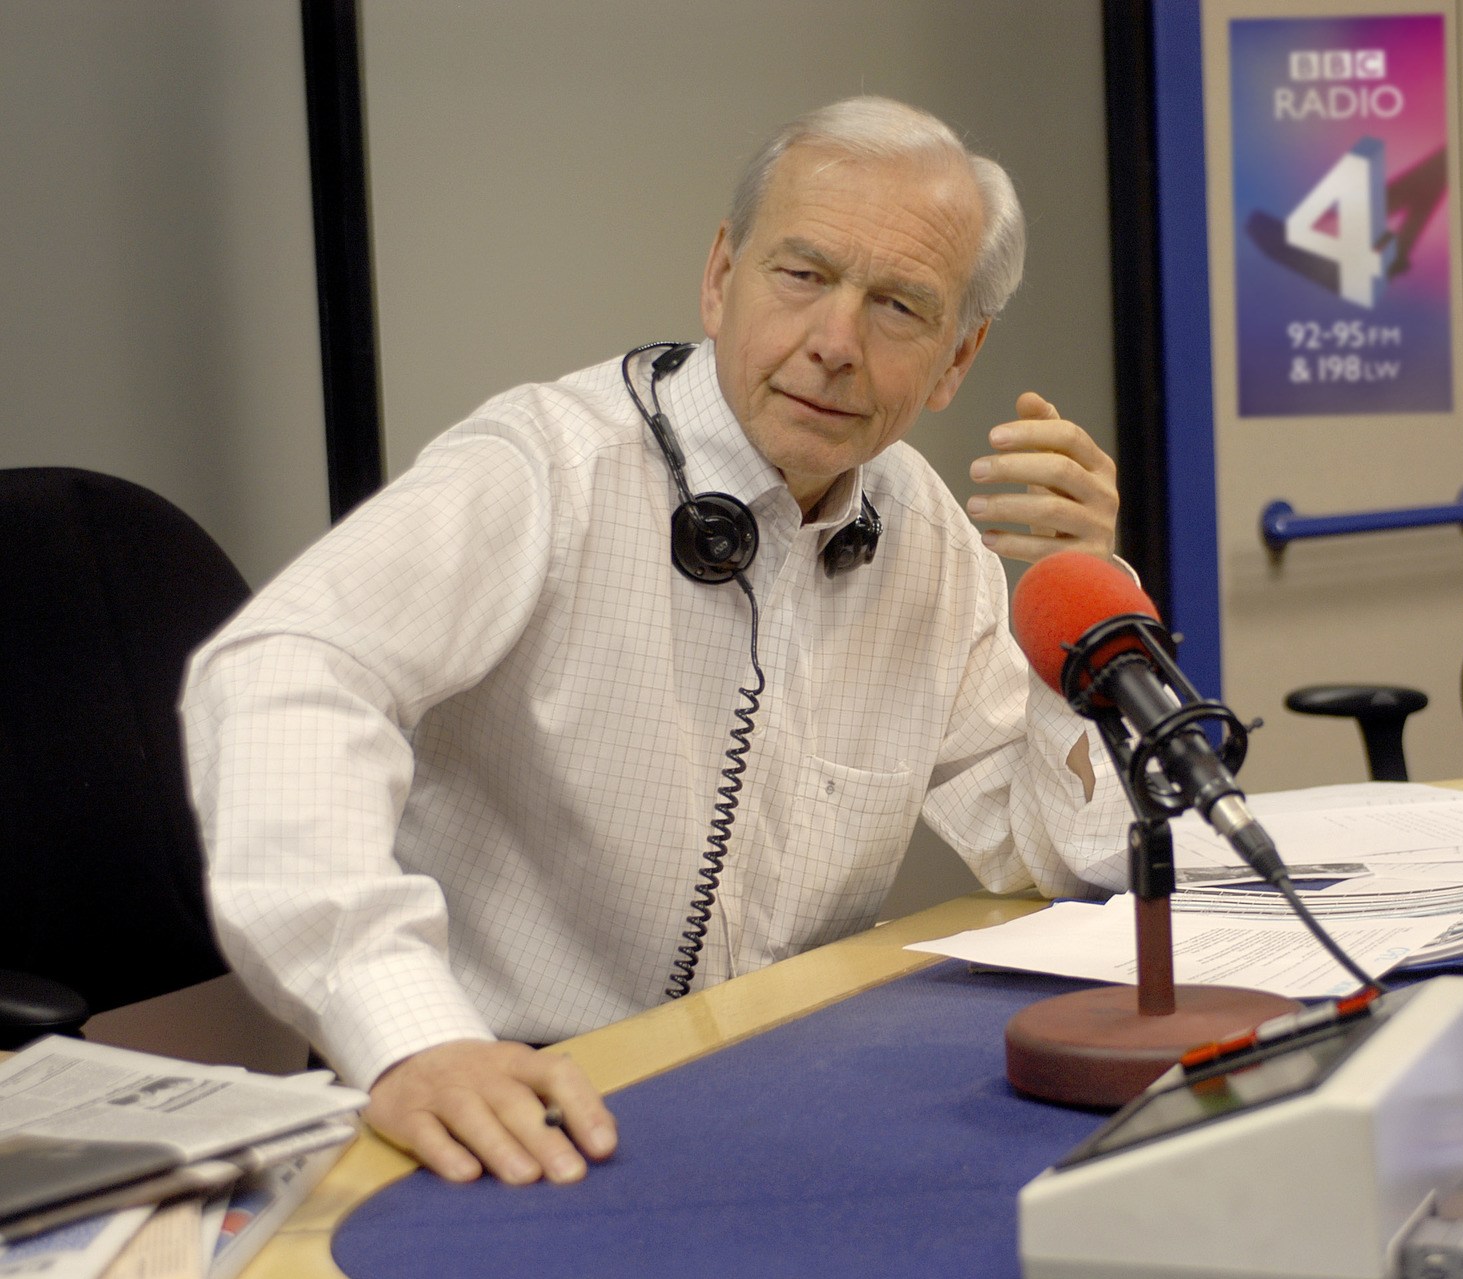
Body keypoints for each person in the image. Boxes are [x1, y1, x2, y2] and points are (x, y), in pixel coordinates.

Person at [180, 96, 1129, 1188]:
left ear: (957, 358)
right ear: (721, 278)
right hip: (505, 1105)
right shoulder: (548, 468)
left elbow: (1058, 855)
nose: (834, 344)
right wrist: (409, 1032)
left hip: (766, 1098)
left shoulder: (926, 537)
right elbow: (282, 670)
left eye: (898, 307)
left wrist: (1084, 599)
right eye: (802, 275)